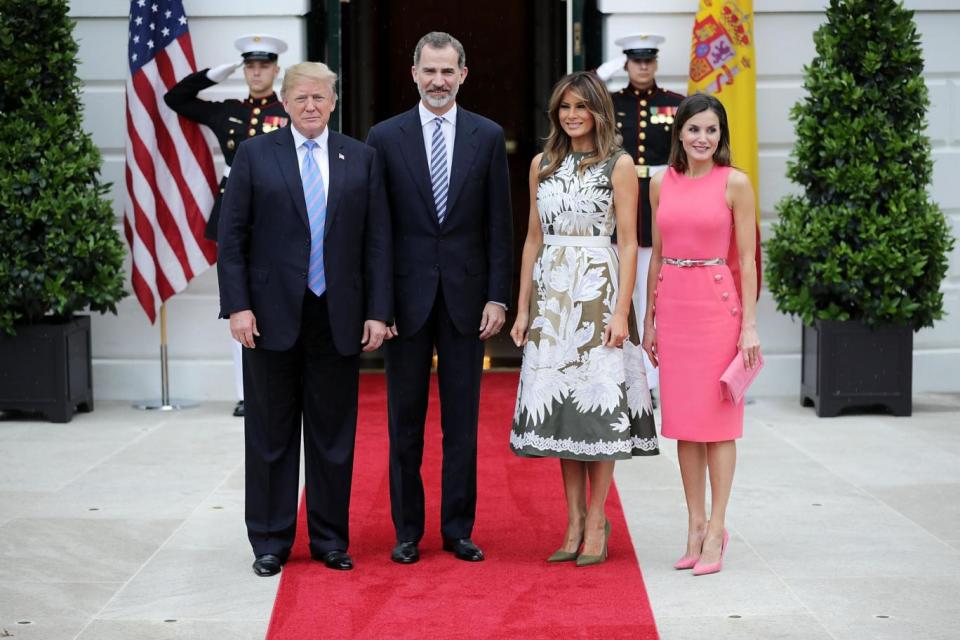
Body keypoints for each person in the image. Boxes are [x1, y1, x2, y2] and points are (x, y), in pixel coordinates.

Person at [217, 61, 392, 576]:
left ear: (333, 102)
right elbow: (233, 240)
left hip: (337, 316)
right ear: (285, 103)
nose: (311, 106)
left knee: (332, 437)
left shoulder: (361, 159)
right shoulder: (253, 155)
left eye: (320, 98)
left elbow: (377, 242)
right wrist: (239, 305)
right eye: (301, 99)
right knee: (270, 435)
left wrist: (379, 312)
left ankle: (329, 539)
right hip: (269, 318)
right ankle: (269, 542)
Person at [366, 31, 512, 565]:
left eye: (448, 71)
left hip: (467, 301)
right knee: (404, 422)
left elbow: (501, 224)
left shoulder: (488, 135)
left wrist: (499, 297)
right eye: (429, 70)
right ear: (413, 73)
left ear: (463, 75)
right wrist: (378, 309)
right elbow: (377, 232)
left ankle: (457, 528)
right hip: (404, 305)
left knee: (462, 422)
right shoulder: (384, 137)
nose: (438, 81)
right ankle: (407, 530)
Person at [509, 71, 659, 567]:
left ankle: (597, 519)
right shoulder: (541, 164)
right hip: (553, 297)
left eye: (581, 106)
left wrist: (622, 312)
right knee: (563, 414)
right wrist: (524, 306)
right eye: (564, 108)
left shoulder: (619, 164)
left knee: (598, 410)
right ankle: (572, 520)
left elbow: (629, 242)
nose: (572, 115)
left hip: (599, 291)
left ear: (598, 110)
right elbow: (532, 238)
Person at [643, 93, 760, 576]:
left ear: (721, 135)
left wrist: (749, 324)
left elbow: (749, 258)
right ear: (680, 134)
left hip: (718, 309)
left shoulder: (735, 183)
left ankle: (717, 527)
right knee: (685, 426)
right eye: (694, 129)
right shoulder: (658, 182)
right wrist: (648, 318)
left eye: (711, 130)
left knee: (717, 425)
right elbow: (656, 252)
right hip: (674, 307)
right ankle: (693, 525)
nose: (702, 138)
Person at [165, 34, 290, 418]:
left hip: (276, 218)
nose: (256, 72)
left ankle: (281, 386)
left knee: (279, 301)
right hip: (235, 216)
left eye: (263, 65)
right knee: (238, 303)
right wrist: (213, 75)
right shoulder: (229, 111)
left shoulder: (288, 113)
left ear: (275, 69)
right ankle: (245, 393)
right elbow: (176, 100)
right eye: (250, 65)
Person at [597, 33, 684, 397]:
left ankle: (652, 380)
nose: (643, 67)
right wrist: (602, 74)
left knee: (657, 295)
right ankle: (625, 375)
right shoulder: (611, 104)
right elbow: (578, 97)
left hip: (660, 204)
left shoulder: (675, 103)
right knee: (622, 297)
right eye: (635, 61)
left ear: (656, 63)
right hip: (622, 206)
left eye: (648, 60)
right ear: (626, 64)